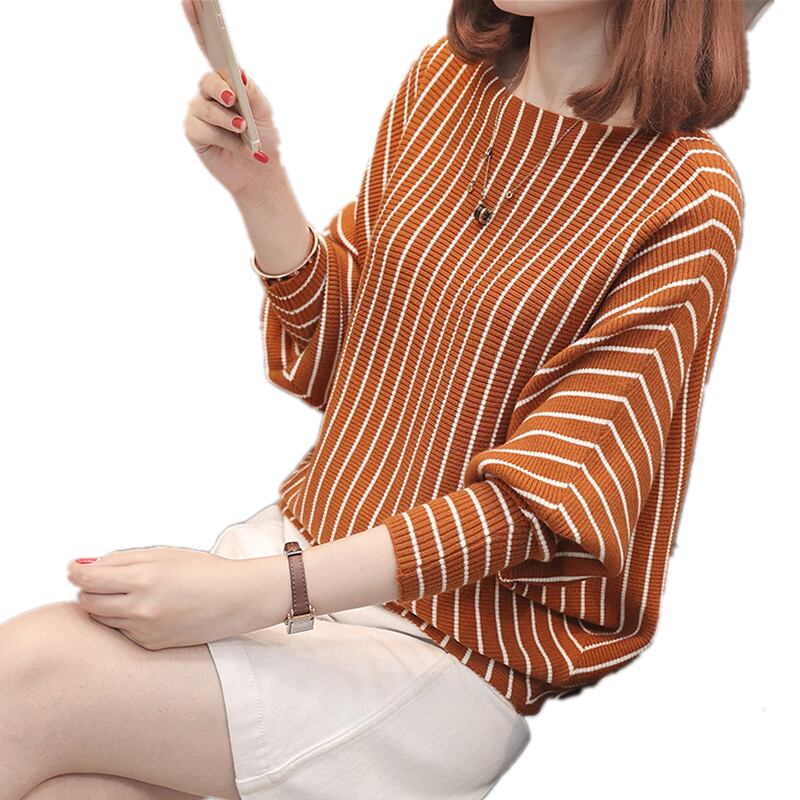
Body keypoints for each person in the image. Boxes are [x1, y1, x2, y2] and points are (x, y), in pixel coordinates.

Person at [0, 1, 769, 798]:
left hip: (446, 651)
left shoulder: (690, 198)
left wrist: (249, 595)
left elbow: (540, 507)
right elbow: (348, 353)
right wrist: (260, 187)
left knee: (29, 677)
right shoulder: (445, 81)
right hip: (296, 557)